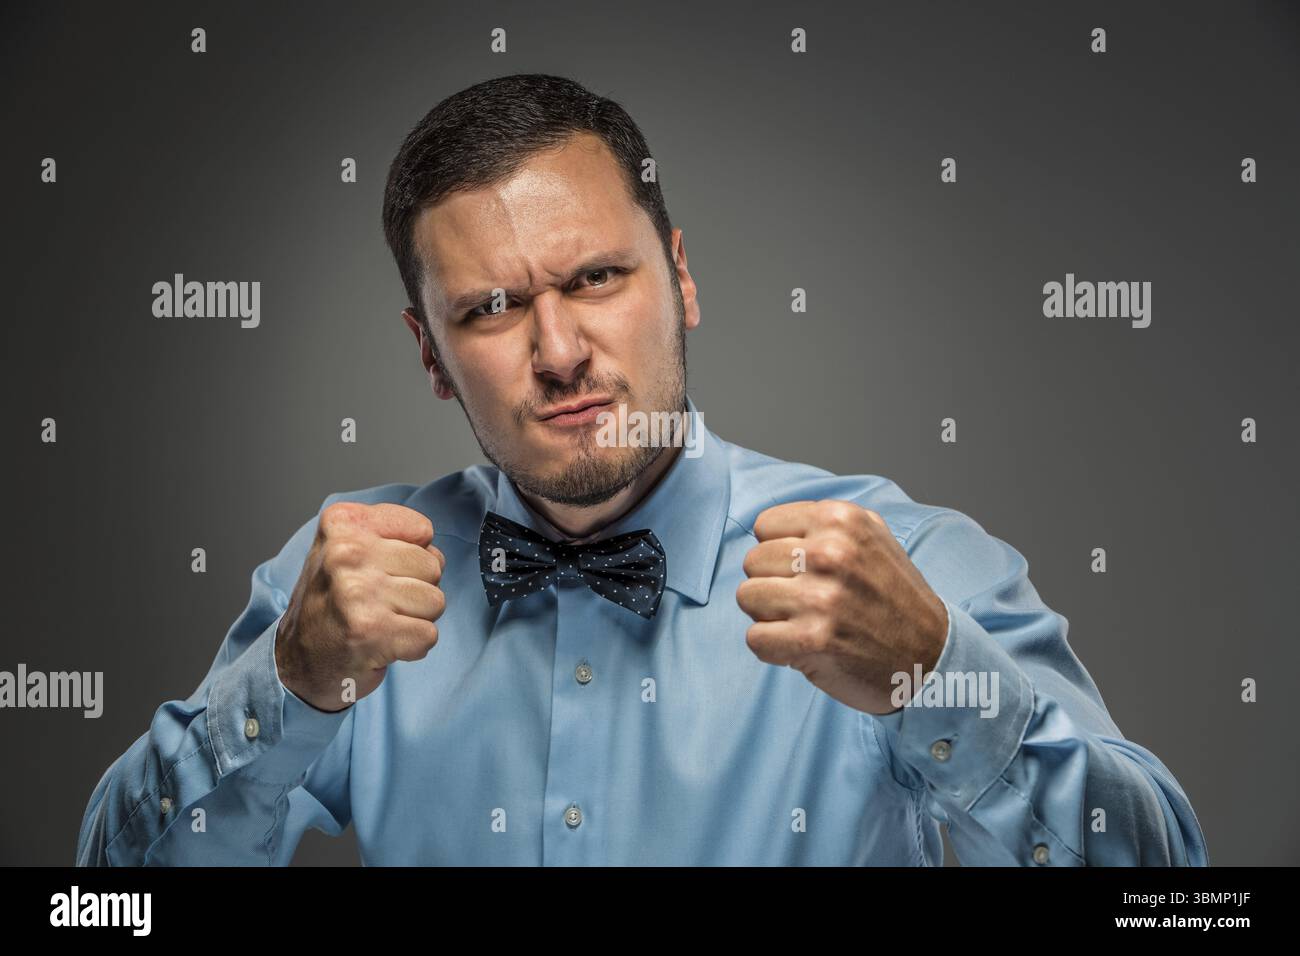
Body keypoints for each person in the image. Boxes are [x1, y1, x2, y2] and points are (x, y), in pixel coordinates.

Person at [76, 73, 1208, 866]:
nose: (560, 350)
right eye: (491, 308)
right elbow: (103, 902)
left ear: (681, 278)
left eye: (598, 279)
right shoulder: (341, 578)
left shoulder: (903, 562)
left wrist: (940, 679)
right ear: (429, 353)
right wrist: (287, 685)